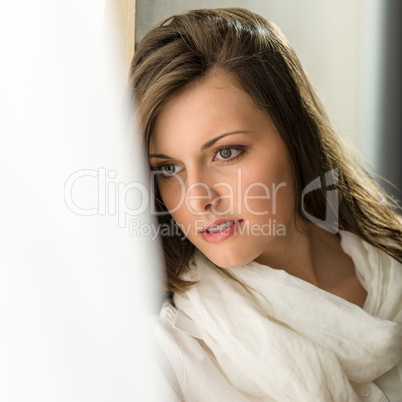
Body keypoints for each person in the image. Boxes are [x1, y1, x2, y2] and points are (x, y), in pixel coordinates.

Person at [130, 8, 402, 401]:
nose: (198, 199)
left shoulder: (392, 270)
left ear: (293, 134)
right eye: (168, 168)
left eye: (226, 153)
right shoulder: (165, 356)